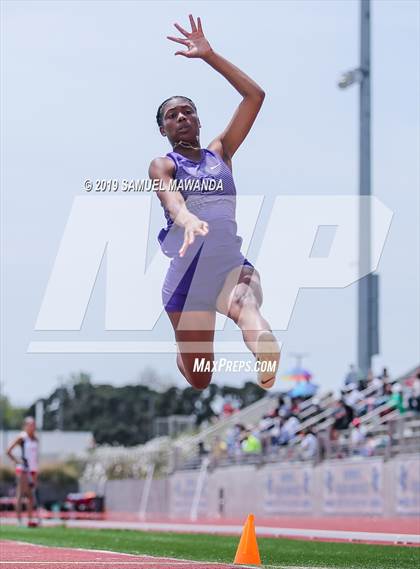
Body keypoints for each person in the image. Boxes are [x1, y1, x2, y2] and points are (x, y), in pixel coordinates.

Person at [149, 15, 280, 392]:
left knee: (245, 303)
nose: (182, 117)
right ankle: (183, 352)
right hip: (187, 280)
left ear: (199, 120)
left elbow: (255, 97)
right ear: (164, 129)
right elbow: (169, 195)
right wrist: (185, 216)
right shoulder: (165, 163)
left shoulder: (220, 153)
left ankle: (265, 355)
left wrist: (209, 55)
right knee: (201, 378)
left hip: (229, 263)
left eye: (187, 111)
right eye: (172, 116)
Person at [6, 417, 40, 527]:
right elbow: (8, 451)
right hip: (23, 469)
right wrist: (17, 461)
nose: (32, 427)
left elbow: (35, 457)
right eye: (30, 425)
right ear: (25, 426)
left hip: (33, 469)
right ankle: (19, 520)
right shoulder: (22, 437)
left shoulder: (35, 439)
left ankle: (30, 519)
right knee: (21, 494)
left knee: (31, 496)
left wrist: (36, 470)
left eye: (34, 425)